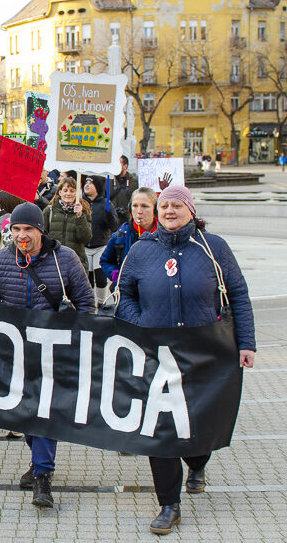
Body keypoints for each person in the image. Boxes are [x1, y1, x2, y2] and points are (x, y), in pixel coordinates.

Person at [116, 185, 255, 535]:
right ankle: (169, 504)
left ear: (191, 211)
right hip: (157, 355)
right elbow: (124, 297)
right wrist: (143, 325)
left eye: (178, 205)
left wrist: (246, 343)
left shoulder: (213, 247)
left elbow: (237, 293)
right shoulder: (141, 250)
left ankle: (197, 462)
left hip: (205, 354)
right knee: (160, 429)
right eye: (165, 205)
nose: (169, 211)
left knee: (200, 422)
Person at [0, 202, 94, 510]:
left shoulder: (64, 260)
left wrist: (79, 339)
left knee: (44, 411)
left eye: (28, 229)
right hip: (14, 353)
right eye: (16, 229)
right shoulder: (1, 261)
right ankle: (38, 461)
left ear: (40, 230)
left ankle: (43, 476)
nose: (21, 235)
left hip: (53, 353)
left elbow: (85, 301)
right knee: (22, 411)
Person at [100, 187, 158, 290]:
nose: (139, 211)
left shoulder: (165, 235)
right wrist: (114, 273)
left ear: (155, 210)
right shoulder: (120, 235)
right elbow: (105, 261)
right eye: (135, 206)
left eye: (145, 206)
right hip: (129, 293)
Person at [83, 175, 119, 306]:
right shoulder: (80, 202)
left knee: (101, 278)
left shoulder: (107, 203)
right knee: (87, 279)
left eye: (90, 183)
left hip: (100, 245)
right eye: (86, 182)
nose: (86, 185)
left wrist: (110, 217)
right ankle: (89, 303)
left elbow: (114, 226)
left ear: (97, 187)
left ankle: (101, 302)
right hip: (84, 246)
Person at [42, 176, 92, 271]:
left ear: (77, 193)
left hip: (76, 262)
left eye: (72, 191)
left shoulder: (84, 211)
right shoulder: (49, 210)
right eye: (65, 190)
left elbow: (85, 238)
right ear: (60, 192)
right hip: (53, 262)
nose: (68, 194)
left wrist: (80, 217)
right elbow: (43, 235)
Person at [111, 155, 139, 224]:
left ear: (125, 166)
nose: (115, 167)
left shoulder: (133, 181)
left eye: (118, 164)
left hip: (127, 220)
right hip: (112, 220)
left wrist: (126, 211)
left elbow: (134, 199)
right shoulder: (109, 180)